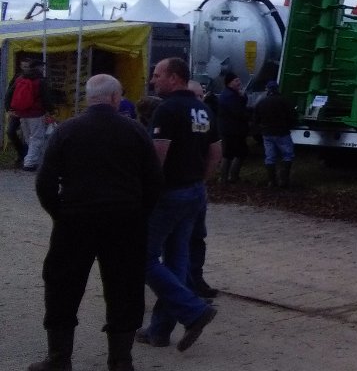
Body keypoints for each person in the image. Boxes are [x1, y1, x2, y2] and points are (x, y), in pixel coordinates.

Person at [29, 74, 163, 371]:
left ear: (88, 98)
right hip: (125, 221)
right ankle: (120, 360)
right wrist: (139, 213)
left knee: (62, 285)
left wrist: (59, 214)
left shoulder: (67, 131)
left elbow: (45, 182)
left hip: (75, 220)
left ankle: (59, 358)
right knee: (125, 287)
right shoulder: (136, 132)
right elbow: (154, 180)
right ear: (116, 98)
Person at [137, 57, 220, 351]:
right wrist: (199, 181)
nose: (152, 80)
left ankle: (194, 310)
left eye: (157, 74)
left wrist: (148, 192)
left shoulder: (167, 109)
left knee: (140, 257)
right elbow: (216, 152)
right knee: (176, 260)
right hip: (194, 192)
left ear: (174, 77)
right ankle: (159, 331)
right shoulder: (203, 109)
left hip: (168, 194)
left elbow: (158, 155)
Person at [185, 80, 219, 300]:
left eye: (201, 96)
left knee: (197, 236)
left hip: (196, 186)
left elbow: (216, 150)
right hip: (177, 187)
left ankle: (195, 278)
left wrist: (203, 179)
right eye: (195, 96)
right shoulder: (174, 114)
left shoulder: (206, 115)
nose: (199, 100)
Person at [6, 58, 56, 171]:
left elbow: (9, 93)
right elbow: (46, 98)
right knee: (37, 137)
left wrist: (9, 108)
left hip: (21, 113)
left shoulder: (20, 78)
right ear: (38, 68)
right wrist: (51, 111)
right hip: (36, 113)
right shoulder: (40, 80)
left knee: (29, 137)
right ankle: (29, 163)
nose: (43, 69)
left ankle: (33, 159)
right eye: (42, 67)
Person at [253, 79, 297, 188]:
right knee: (287, 155)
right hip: (282, 133)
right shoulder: (284, 101)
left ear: (267, 89)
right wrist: (290, 126)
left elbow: (255, 119)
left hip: (267, 133)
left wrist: (261, 128)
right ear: (277, 89)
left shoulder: (262, 102)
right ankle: (284, 180)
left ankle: (271, 181)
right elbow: (292, 116)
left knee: (270, 157)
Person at [217, 72, 249, 184]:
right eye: (236, 80)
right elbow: (238, 112)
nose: (239, 82)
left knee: (235, 153)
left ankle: (229, 177)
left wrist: (243, 96)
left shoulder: (231, 94)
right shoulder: (229, 96)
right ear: (229, 83)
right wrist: (248, 115)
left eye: (239, 80)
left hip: (232, 130)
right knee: (232, 154)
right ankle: (226, 177)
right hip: (232, 130)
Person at [5, 57, 31, 166]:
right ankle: (22, 153)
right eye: (24, 66)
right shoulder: (17, 77)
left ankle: (26, 157)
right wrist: (9, 109)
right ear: (21, 66)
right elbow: (8, 93)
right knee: (10, 131)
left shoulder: (35, 78)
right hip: (17, 111)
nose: (26, 69)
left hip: (29, 111)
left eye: (27, 67)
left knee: (28, 135)